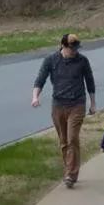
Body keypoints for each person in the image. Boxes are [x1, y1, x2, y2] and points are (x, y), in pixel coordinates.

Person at [32, 33, 96, 188]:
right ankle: (68, 168)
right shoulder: (51, 60)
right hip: (58, 105)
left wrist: (93, 103)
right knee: (63, 141)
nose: (74, 51)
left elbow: (90, 81)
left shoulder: (82, 61)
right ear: (63, 46)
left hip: (77, 104)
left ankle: (70, 174)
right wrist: (35, 97)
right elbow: (41, 79)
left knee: (72, 137)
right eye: (71, 48)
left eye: (76, 48)